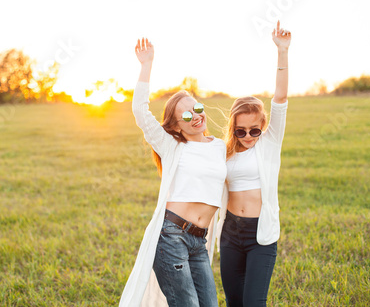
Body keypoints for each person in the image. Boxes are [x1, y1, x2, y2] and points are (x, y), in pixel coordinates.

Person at [119, 38, 227, 307]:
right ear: (177, 127)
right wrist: (147, 65)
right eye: (187, 116)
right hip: (171, 236)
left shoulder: (220, 147)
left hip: (198, 242)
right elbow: (141, 113)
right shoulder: (173, 146)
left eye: (197, 109)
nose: (196, 117)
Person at [217, 20, 291, 307]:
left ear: (263, 125)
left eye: (254, 130)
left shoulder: (270, 143)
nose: (248, 136)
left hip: (261, 233)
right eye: (240, 131)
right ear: (233, 128)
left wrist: (282, 52)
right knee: (234, 302)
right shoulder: (223, 151)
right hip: (231, 232)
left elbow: (281, 98)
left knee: (253, 303)